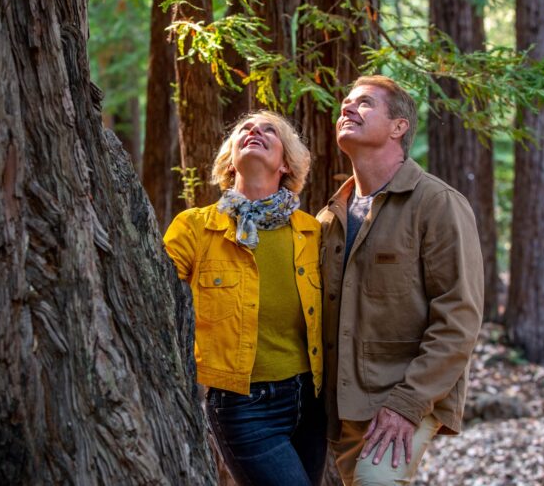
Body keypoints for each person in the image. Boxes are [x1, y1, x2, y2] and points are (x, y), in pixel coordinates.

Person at [316, 75, 484, 485]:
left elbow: (459, 317)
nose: (347, 108)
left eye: (365, 103)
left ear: (398, 127)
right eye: (345, 103)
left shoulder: (437, 204)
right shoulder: (328, 218)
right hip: (335, 407)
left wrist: (407, 404)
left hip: (400, 397)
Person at [164, 111, 327, 486]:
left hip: (311, 400)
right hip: (242, 404)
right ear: (230, 158)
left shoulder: (312, 231)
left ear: (286, 163)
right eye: (245, 130)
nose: (254, 131)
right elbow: (150, 298)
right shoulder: (195, 227)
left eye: (269, 130)